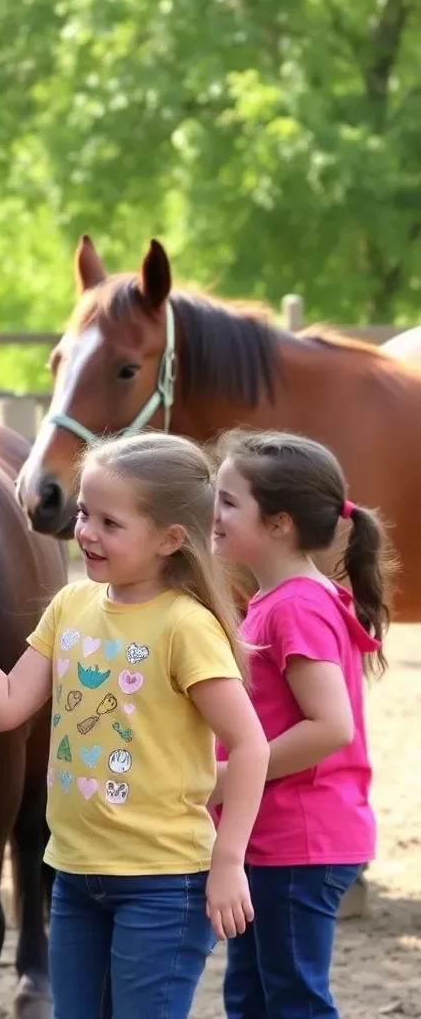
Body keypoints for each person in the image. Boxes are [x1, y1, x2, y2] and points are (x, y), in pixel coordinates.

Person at [0, 431, 269, 1019]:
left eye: (110, 522)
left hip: (164, 884)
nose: (86, 532)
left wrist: (229, 862)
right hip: (74, 876)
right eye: (84, 513)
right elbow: (3, 706)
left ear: (170, 539)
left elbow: (249, 744)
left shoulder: (186, 626)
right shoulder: (70, 606)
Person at [210, 429, 394, 1018]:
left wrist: (227, 778)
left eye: (228, 502)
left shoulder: (295, 606)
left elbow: (330, 727)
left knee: (292, 1001)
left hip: (300, 842)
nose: (212, 513)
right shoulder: (281, 600)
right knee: (252, 995)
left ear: (279, 524)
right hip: (274, 840)